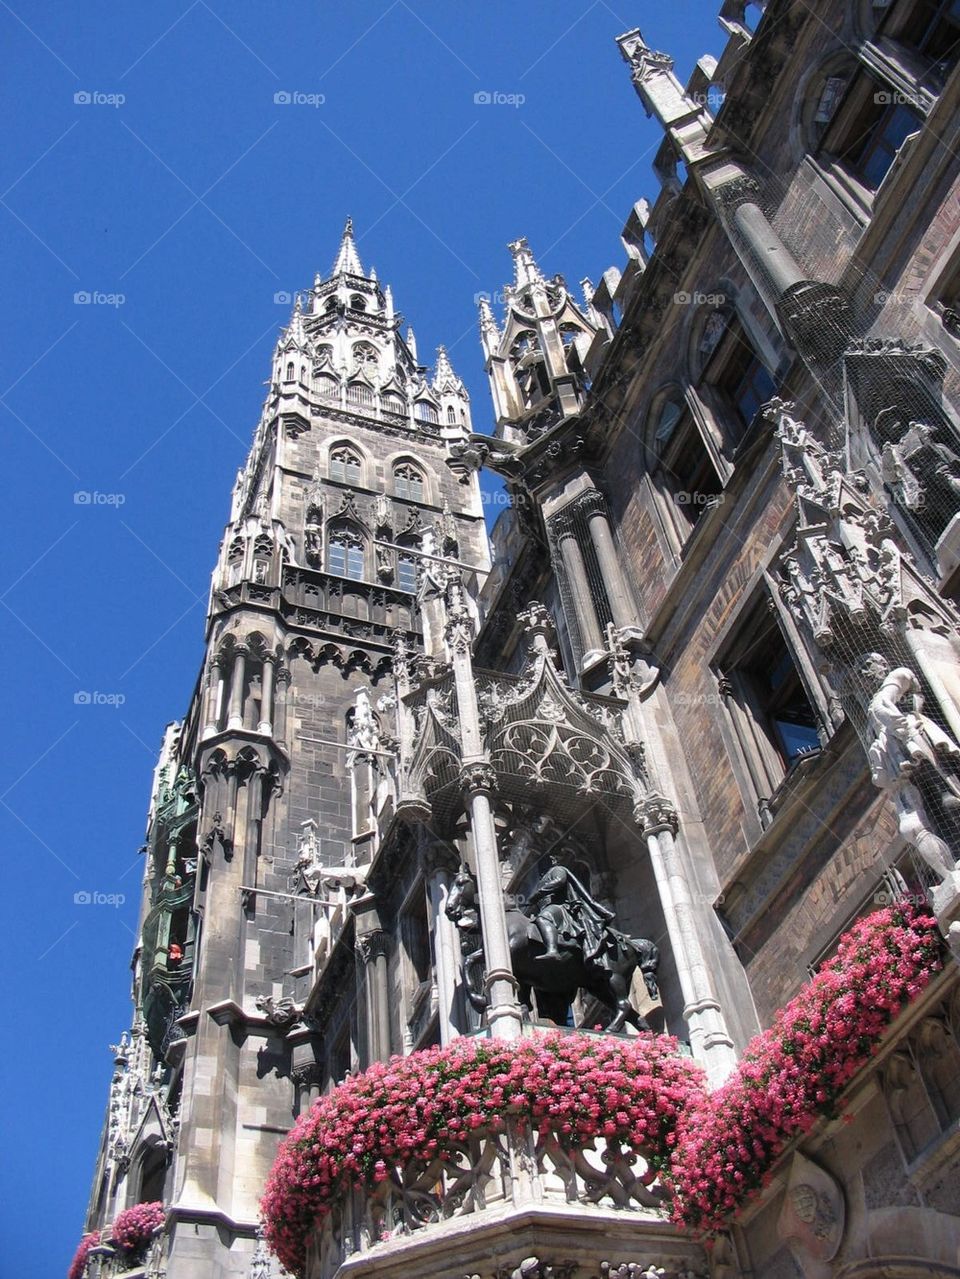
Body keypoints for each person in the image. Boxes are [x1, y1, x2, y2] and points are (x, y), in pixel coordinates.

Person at [528, 863, 614, 963]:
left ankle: (552, 951)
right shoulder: (542, 880)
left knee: (544, 918)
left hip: (561, 906)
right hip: (549, 907)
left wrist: (538, 894)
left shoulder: (557, 869)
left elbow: (559, 881)